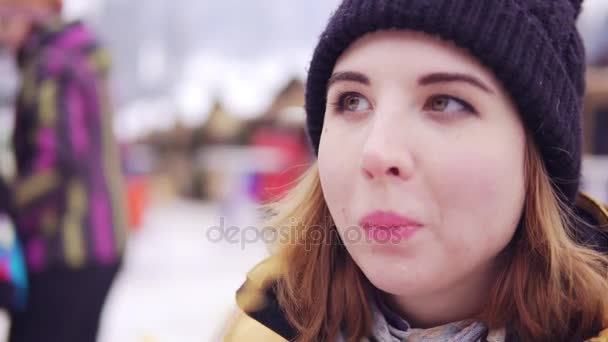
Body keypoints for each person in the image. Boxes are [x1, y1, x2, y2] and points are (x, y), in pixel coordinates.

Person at [224, 0, 608, 341]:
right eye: (352, 101)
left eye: (444, 102)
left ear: (537, 154)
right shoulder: (256, 328)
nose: (376, 153)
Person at [0, 0, 127, 341]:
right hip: (97, 243)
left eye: (5, 20)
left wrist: (10, 199)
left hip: (67, 249)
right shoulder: (73, 53)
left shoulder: (51, 61)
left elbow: (57, 162)